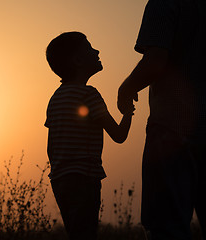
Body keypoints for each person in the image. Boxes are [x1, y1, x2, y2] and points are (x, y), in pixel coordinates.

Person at [117, 0, 206, 239]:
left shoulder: (164, 3)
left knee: (167, 227)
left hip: (173, 128)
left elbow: (155, 60)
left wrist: (126, 89)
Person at [45, 31, 135, 240]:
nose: (97, 51)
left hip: (60, 179)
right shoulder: (89, 94)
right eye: (90, 48)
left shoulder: (55, 98)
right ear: (77, 61)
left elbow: (52, 145)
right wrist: (128, 112)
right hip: (84, 177)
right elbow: (119, 135)